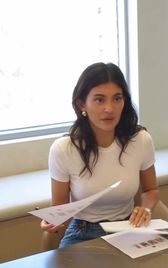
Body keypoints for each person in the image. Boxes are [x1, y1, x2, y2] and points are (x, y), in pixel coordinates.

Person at [40, 62, 158, 248]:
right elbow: (60, 212)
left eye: (117, 98)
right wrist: (53, 222)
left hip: (129, 228)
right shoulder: (64, 149)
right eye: (99, 100)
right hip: (83, 232)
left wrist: (145, 209)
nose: (110, 108)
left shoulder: (141, 140)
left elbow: (151, 190)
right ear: (82, 105)